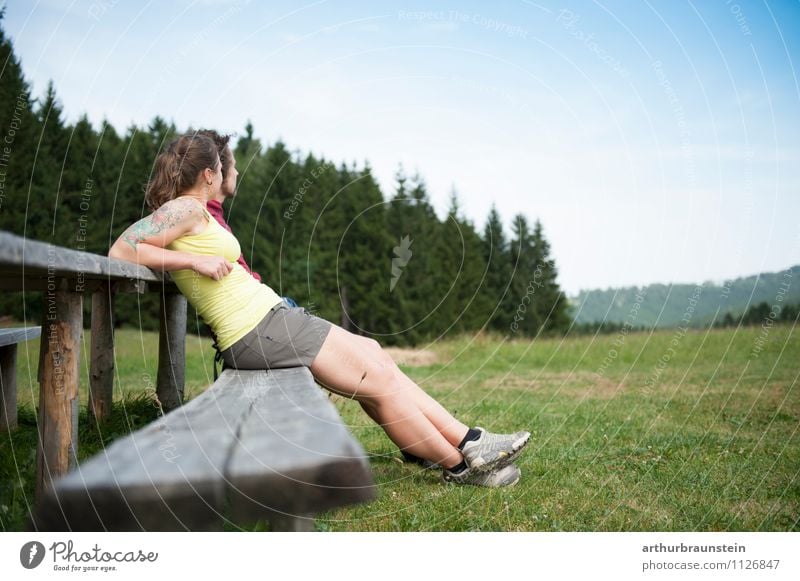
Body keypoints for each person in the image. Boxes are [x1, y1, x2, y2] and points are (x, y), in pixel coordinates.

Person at [109, 131, 530, 488]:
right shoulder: (184, 208)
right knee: (376, 377)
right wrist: (193, 262)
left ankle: (469, 442)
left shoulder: (196, 212)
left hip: (267, 320)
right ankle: (463, 463)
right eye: (224, 167)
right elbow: (122, 249)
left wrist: (193, 260)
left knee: (374, 358)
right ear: (209, 174)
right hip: (257, 328)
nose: (228, 173)